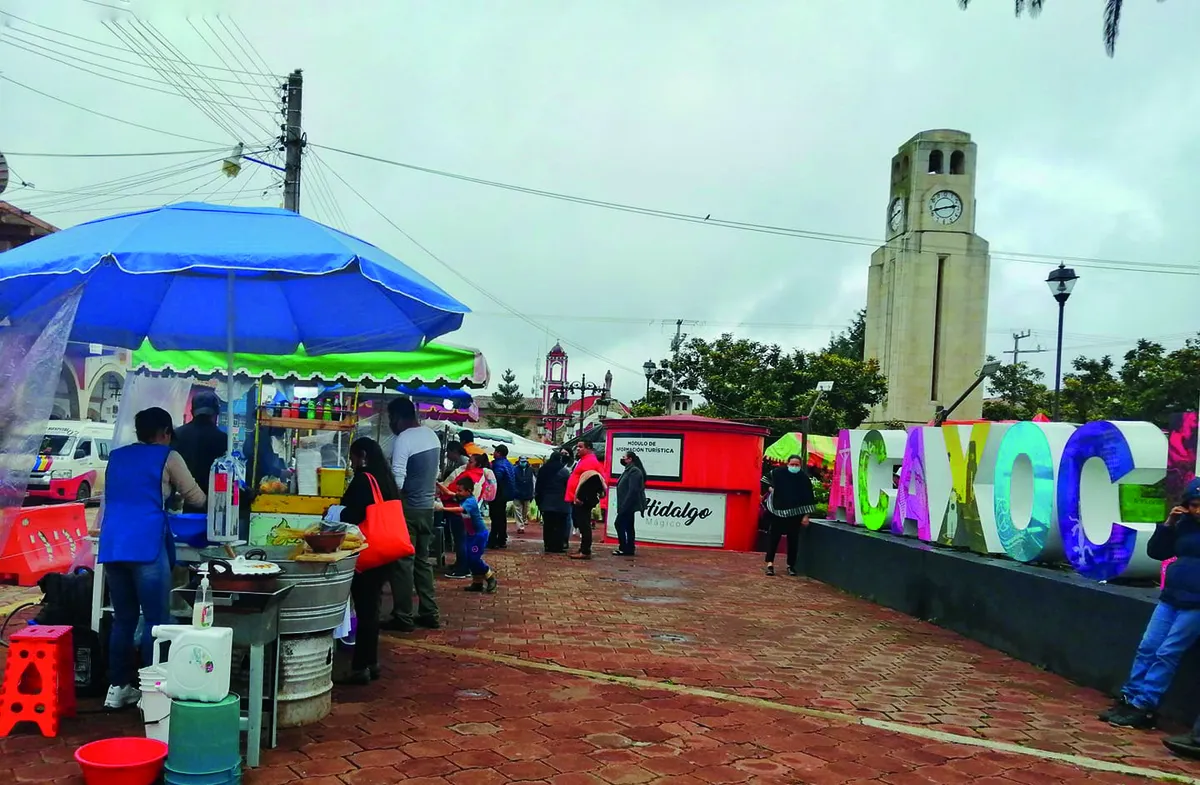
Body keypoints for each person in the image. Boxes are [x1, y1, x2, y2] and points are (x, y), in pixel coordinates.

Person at [99, 407, 206, 709]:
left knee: (123, 619)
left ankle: (118, 687)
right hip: (146, 545)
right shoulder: (168, 456)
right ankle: (152, 692)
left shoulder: (117, 457)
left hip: (113, 545)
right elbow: (196, 497)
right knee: (156, 621)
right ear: (166, 432)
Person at [1102, 478, 1200, 729]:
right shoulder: (1184, 524)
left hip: (1196, 603)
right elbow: (1157, 552)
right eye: (1193, 505)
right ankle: (1129, 697)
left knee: (1168, 652)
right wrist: (1168, 525)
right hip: (1171, 597)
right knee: (1148, 647)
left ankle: (1145, 706)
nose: (1197, 510)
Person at [325, 438, 401, 685]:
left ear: (363, 455)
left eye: (354, 457)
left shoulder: (364, 479)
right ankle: (371, 662)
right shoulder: (386, 479)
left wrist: (333, 511)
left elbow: (351, 515)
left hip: (366, 551)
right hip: (385, 550)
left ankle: (360, 667)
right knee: (372, 608)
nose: (352, 462)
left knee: (365, 608)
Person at [384, 397, 441, 631]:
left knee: (402, 564)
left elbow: (397, 477)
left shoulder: (404, 438)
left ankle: (403, 616)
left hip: (408, 509)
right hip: (427, 509)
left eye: (390, 418)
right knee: (422, 562)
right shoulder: (431, 436)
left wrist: (389, 504)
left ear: (397, 417)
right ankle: (430, 612)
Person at [441, 477, 498, 593]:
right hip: (471, 534)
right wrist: (436, 483)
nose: (458, 493)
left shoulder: (470, 501)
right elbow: (447, 492)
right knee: (469, 558)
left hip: (479, 535)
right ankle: (477, 583)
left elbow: (460, 510)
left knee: (474, 558)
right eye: (457, 490)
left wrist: (442, 508)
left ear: (469, 491)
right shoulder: (462, 497)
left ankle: (489, 576)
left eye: (460, 490)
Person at [763, 454, 817, 577]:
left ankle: (791, 566)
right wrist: (771, 489)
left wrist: (805, 516)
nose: (794, 467)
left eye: (796, 465)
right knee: (773, 539)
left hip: (795, 514)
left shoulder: (803, 479)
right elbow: (765, 480)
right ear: (787, 464)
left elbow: (808, 498)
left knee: (793, 541)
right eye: (792, 464)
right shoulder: (778, 473)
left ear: (800, 466)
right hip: (777, 512)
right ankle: (770, 564)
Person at [171, 390, 226, 501]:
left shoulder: (177, 434)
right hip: (210, 501)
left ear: (192, 412)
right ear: (216, 413)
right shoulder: (222, 438)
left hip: (179, 500)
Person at [440, 450, 485, 579]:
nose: (468, 463)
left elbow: (455, 491)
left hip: (458, 511)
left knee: (461, 540)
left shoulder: (472, 476)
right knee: (460, 539)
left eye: (471, 462)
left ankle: (463, 568)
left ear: (478, 464)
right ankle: (461, 563)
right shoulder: (473, 474)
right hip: (458, 509)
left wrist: (443, 504)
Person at [565, 442, 606, 561]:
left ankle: (585, 551)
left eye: (580, 447)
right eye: (577, 446)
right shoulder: (584, 460)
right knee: (582, 524)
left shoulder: (590, 461)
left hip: (582, 500)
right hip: (578, 498)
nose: (577, 449)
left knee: (584, 525)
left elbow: (591, 482)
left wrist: (581, 498)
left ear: (588, 448)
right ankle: (583, 548)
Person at [613, 451, 648, 557]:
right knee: (628, 526)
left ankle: (624, 547)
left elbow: (633, 490)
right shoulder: (629, 470)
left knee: (619, 524)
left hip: (628, 505)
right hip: (626, 503)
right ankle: (629, 548)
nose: (622, 459)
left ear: (630, 459)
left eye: (624, 457)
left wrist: (625, 505)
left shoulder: (634, 471)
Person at [535, 452, 571, 553]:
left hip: (546, 502)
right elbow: (568, 486)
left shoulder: (543, 469)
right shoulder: (564, 471)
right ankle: (558, 546)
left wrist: (539, 501)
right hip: (561, 503)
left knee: (548, 525)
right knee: (560, 526)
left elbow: (538, 487)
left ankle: (548, 545)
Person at [489, 444, 516, 549]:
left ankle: (494, 540)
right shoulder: (509, 464)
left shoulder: (498, 464)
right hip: (505, 495)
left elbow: (496, 479)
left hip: (498, 495)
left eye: (495, 451)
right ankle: (502, 538)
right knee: (501, 517)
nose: (493, 453)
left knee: (496, 517)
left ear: (499, 453)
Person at [512, 456, 536, 533]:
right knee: (518, 510)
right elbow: (512, 481)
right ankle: (520, 527)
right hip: (517, 493)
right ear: (519, 461)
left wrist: (533, 492)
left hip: (528, 493)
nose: (523, 463)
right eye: (522, 461)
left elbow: (533, 481)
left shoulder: (531, 470)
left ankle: (523, 521)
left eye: (524, 461)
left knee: (525, 511)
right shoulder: (514, 470)